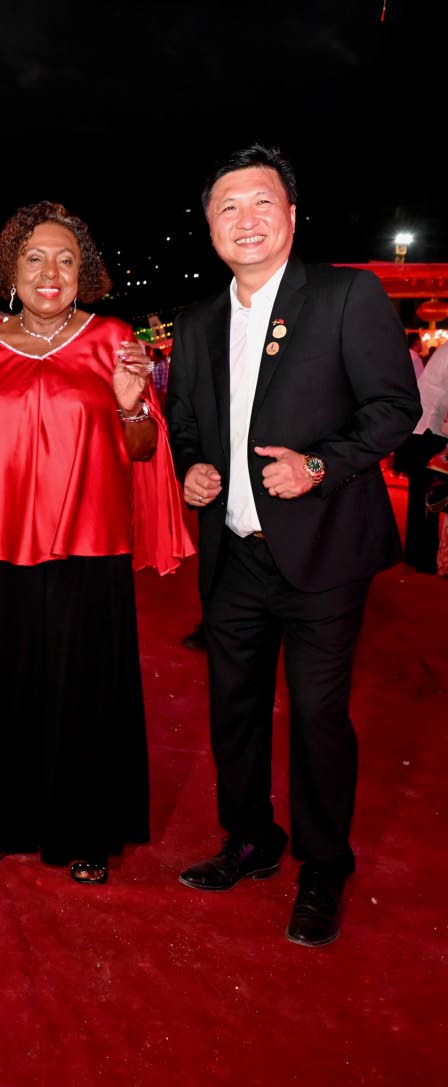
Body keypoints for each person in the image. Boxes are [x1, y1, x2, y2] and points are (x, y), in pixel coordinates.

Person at [166, 145, 420, 947]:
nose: (245, 219)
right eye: (228, 206)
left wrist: (318, 465)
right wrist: (191, 468)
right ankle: (250, 838)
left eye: (261, 203)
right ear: (210, 225)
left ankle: (324, 864)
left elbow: (394, 407)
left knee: (317, 714)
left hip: (325, 554)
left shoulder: (346, 296)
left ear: (292, 215)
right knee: (233, 709)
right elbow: (184, 423)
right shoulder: (197, 323)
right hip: (233, 554)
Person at [0, 202, 192, 883]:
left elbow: (143, 449)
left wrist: (130, 404)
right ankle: (0, 818)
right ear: (10, 269)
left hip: (91, 544)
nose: (50, 271)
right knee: (6, 683)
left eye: (65, 259)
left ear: (84, 271)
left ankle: (86, 828)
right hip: (0, 543)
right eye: (34, 258)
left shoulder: (111, 338)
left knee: (87, 687)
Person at [396, 341, 448, 572]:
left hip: (422, 427)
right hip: (428, 429)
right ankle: (423, 557)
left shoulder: (445, 349)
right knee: (429, 495)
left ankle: (416, 555)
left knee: (421, 495)